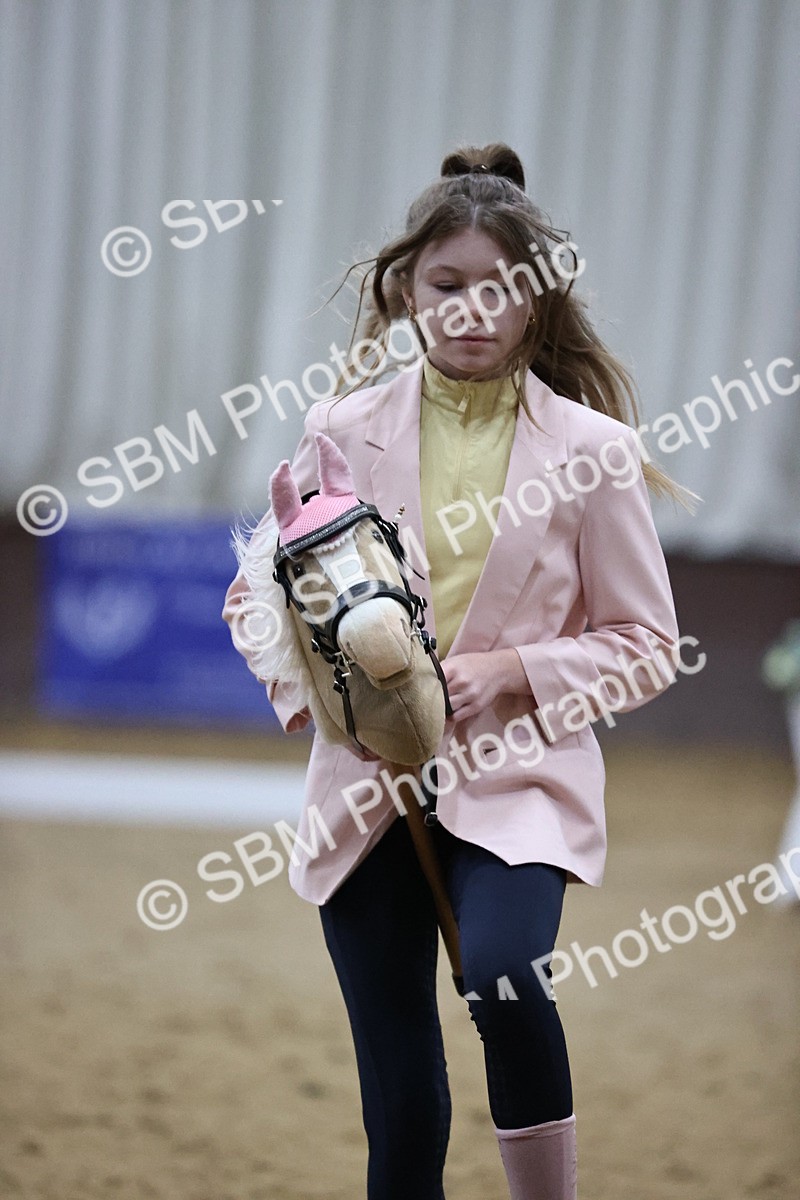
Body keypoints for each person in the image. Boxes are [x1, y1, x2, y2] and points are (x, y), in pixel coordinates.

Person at [223, 142, 692, 1200]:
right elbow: (267, 591)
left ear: (535, 303)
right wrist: (308, 681)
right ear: (403, 290)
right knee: (397, 1080)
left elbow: (646, 647)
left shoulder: (593, 452)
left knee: (503, 979)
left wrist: (515, 671)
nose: (471, 311)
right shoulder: (337, 431)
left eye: (499, 290)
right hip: (367, 787)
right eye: (446, 286)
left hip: (519, 780)